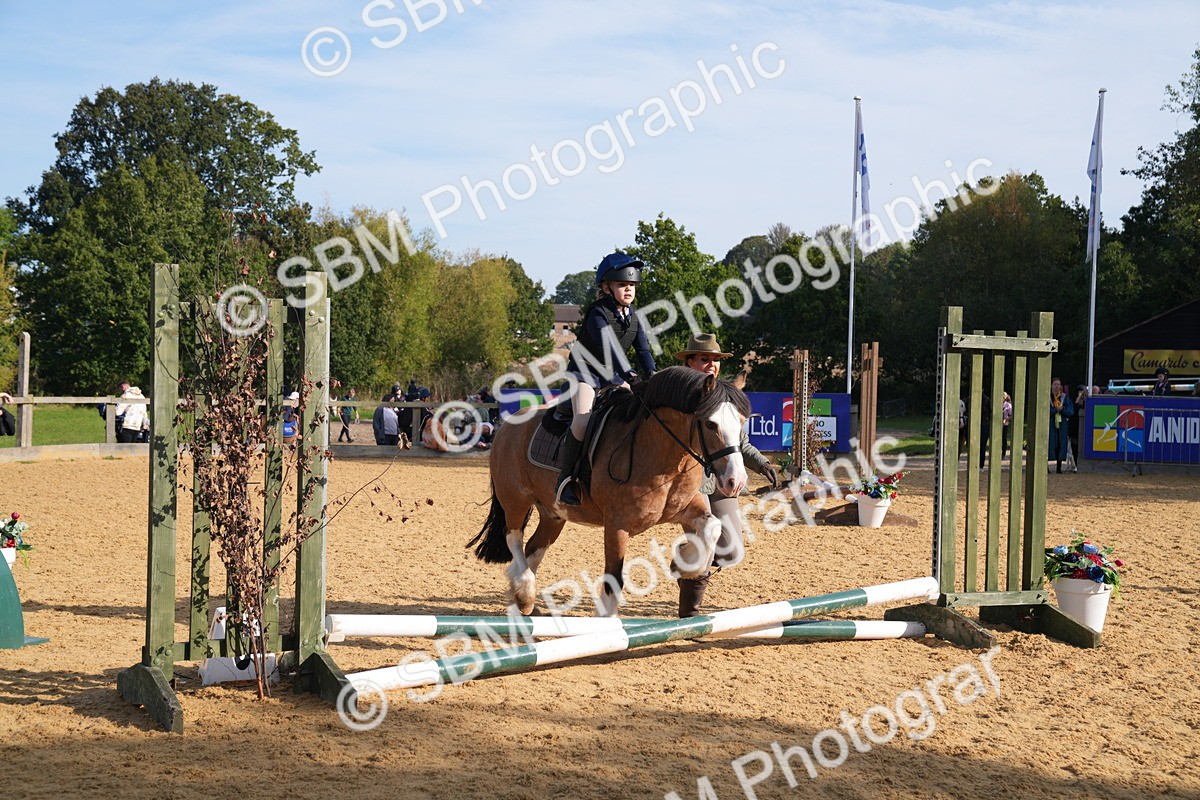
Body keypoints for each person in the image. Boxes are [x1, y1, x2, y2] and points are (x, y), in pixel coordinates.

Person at [674, 333, 778, 617]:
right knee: (706, 543)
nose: (711, 365)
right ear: (690, 362)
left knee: (731, 552)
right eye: (704, 359)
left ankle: (686, 559)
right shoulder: (677, 396)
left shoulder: (724, 394)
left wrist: (762, 464)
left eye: (716, 360)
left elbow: (739, 443)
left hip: (720, 482)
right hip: (689, 484)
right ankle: (690, 614)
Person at [555, 252, 657, 506]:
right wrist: (632, 377)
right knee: (582, 421)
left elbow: (643, 350)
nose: (629, 290)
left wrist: (652, 375)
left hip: (612, 377)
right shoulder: (597, 313)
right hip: (585, 376)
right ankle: (566, 480)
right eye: (623, 285)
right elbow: (610, 347)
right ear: (606, 287)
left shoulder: (633, 316)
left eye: (632, 285)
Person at [1048, 377, 1074, 474]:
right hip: (1050, 424)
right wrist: (1054, 410)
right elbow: (1043, 411)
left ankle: (1059, 467)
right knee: (1049, 443)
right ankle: (1046, 467)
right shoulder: (1047, 397)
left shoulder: (1064, 397)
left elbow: (1070, 411)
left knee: (1061, 443)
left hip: (1061, 424)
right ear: (1051, 385)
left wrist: (1062, 409)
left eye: (1059, 384)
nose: (1057, 386)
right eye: (1055, 384)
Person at [1001, 391, 1013, 462]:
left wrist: (1006, 419)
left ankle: (1003, 453)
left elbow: (1011, 415)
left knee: (1004, 439)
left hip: (1004, 424)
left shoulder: (1008, 405)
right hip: (997, 424)